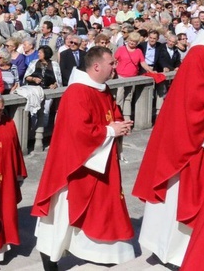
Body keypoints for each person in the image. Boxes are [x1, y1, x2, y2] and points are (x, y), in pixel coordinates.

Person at [32, 46, 136, 269]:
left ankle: (103, 254)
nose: (115, 68)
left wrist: (120, 125)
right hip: (73, 166)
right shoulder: (77, 92)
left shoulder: (102, 88)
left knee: (103, 210)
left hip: (99, 161)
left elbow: (111, 114)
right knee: (61, 216)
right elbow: (79, 132)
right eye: (112, 63)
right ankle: (50, 258)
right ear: (97, 66)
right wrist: (110, 131)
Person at [132, 30, 204, 268]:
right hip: (192, 139)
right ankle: (173, 252)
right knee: (177, 198)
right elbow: (195, 98)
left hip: (199, 135)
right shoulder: (203, 52)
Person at [0, 92, 27, 270]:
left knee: (3, 214)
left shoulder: (9, 123)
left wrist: (18, 175)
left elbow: (16, 150)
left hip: (5, 179)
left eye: (1, 110)